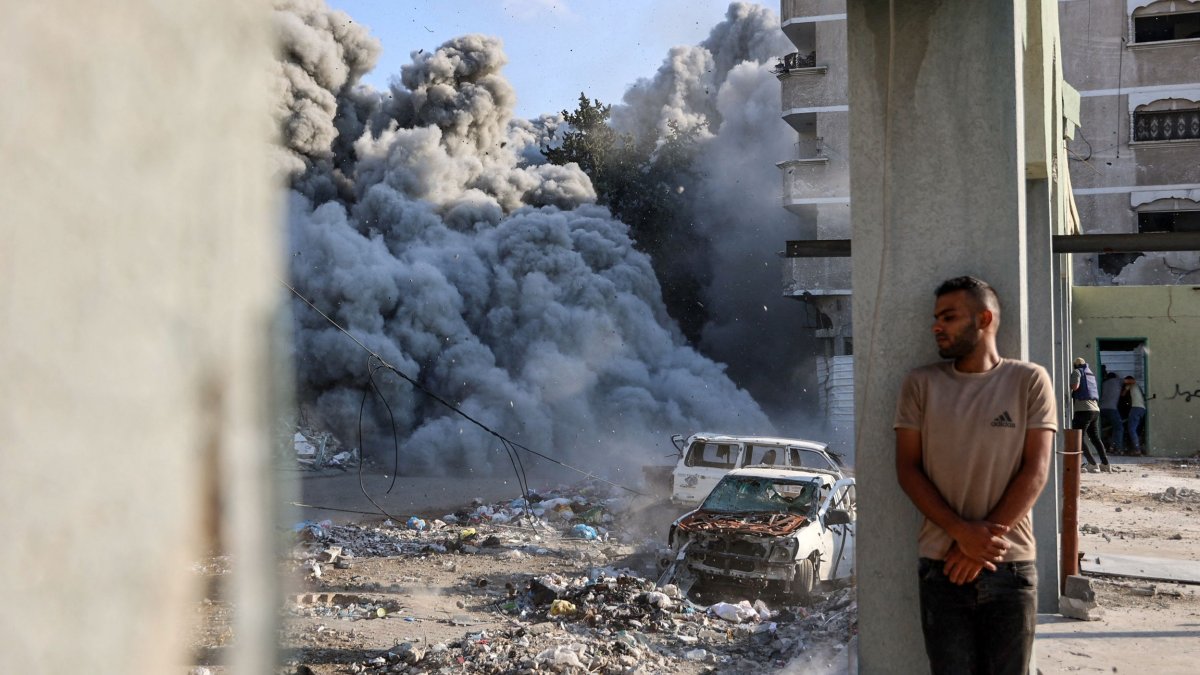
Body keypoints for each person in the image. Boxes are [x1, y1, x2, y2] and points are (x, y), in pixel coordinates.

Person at [894, 276, 1057, 675]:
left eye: (948, 317)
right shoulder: (921, 384)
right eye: (936, 318)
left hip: (1010, 565)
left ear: (984, 319)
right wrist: (961, 534)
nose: (936, 326)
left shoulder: (1029, 380)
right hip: (941, 567)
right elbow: (907, 469)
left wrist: (979, 540)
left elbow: (1036, 471)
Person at [1071, 357, 1110, 472]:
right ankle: (1105, 464)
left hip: (1083, 410)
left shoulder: (1077, 372)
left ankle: (1092, 463)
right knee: (1095, 438)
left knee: (1078, 437)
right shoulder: (1090, 374)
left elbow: (1075, 386)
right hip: (1095, 410)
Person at [1099, 371, 1124, 454]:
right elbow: (1132, 381)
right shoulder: (1117, 381)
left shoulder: (1104, 383)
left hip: (1101, 408)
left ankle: (1109, 448)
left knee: (1101, 429)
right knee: (1119, 428)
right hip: (1111, 408)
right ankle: (1118, 449)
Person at [1123, 375, 1147, 455]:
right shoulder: (1138, 387)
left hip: (1136, 408)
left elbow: (1122, 395)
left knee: (1131, 429)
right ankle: (1137, 448)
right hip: (1142, 409)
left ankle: (1137, 449)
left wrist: (1122, 383)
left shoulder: (1132, 384)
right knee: (1136, 430)